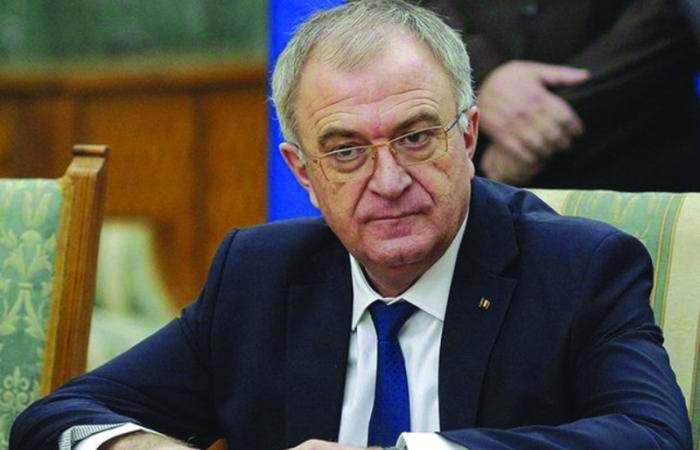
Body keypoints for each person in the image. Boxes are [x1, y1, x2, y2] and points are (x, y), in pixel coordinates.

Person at [10, 1, 692, 449]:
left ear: (468, 135)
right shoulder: (260, 274)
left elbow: (654, 436)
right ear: (302, 171)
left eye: (416, 138)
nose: (388, 180)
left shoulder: (577, 267)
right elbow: (56, 420)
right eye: (346, 152)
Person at [421, 0, 700, 191]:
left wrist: (538, 119)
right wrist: (479, 72)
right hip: (476, 161)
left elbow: (675, 12)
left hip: (641, 150)